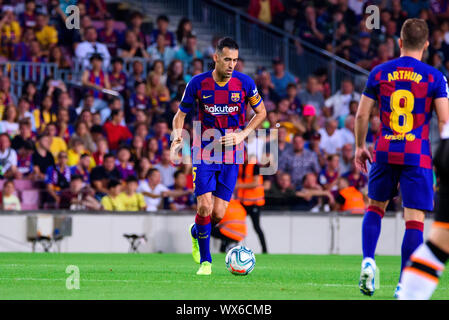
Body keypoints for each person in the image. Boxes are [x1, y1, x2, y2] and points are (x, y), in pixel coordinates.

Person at [354, 19, 449, 297]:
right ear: (427, 45)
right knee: (414, 220)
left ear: (400, 42)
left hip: (384, 150)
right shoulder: (435, 77)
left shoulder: (379, 72)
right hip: (417, 155)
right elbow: (445, 120)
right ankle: (402, 284)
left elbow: (361, 115)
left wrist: (361, 146)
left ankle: (369, 260)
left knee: (375, 208)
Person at [170, 37, 267, 275]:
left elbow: (261, 112)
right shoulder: (197, 83)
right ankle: (206, 262)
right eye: (227, 59)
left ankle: (196, 232)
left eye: (235, 60)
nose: (232, 64)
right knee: (204, 206)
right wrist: (176, 137)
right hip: (204, 150)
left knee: (218, 214)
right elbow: (180, 115)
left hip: (232, 154)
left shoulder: (245, 83)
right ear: (216, 58)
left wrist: (242, 134)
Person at [235, 156, 268, 253]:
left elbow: (255, 183)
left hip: (254, 203)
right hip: (242, 202)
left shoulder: (255, 166)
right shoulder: (240, 166)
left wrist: (238, 186)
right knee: (236, 224)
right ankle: (229, 247)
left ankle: (265, 250)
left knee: (257, 227)